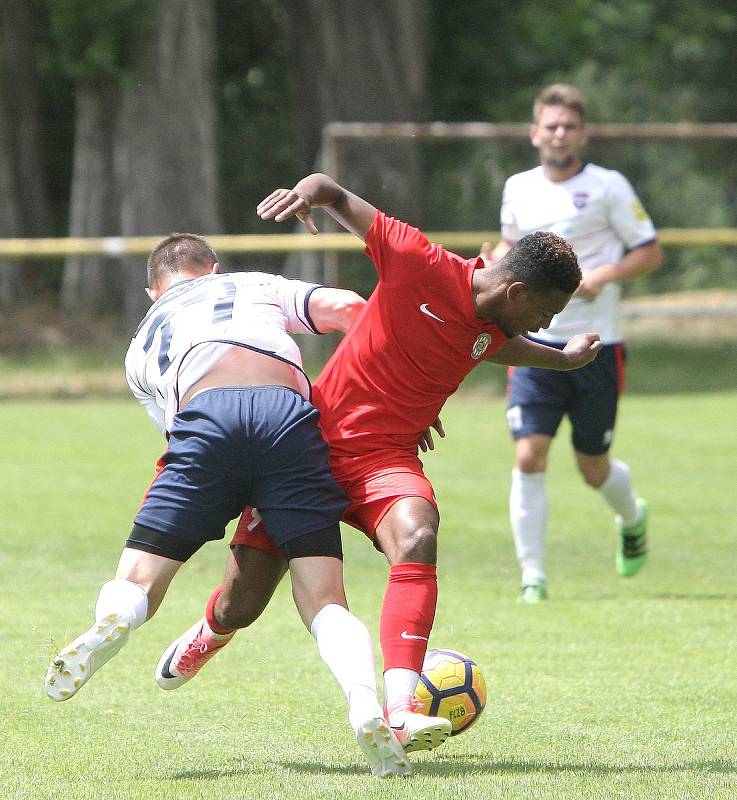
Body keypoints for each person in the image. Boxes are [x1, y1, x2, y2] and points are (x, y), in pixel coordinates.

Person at [152, 173, 602, 758]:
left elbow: (491, 345)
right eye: (547, 311)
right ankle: (210, 634)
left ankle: (401, 710)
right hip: (305, 452)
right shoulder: (421, 262)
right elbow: (334, 191)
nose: (547, 324)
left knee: (417, 535)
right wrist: (308, 194)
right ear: (516, 291)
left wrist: (560, 360)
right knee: (244, 602)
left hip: (384, 462)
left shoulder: (494, 324)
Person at [43, 233, 413, 779]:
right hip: (287, 419)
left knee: (141, 578)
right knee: (325, 598)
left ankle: (115, 618)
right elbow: (351, 309)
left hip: (204, 419)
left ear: (153, 292)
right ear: (212, 269)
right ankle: (363, 701)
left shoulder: (140, 346)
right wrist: (382, 389)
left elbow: (180, 437)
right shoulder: (249, 284)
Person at [480, 84, 663, 604]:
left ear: (582, 133)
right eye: (551, 125)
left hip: (599, 345)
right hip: (535, 341)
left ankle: (631, 515)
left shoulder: (608, 186)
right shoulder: (518, 187)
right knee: (529, 454)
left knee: (592, 466)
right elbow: (515, 251)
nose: (560, 134)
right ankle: (533, 576)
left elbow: (649, 253)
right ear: (535, 133)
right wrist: (497, 260)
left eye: (569, 126)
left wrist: (602, 276)